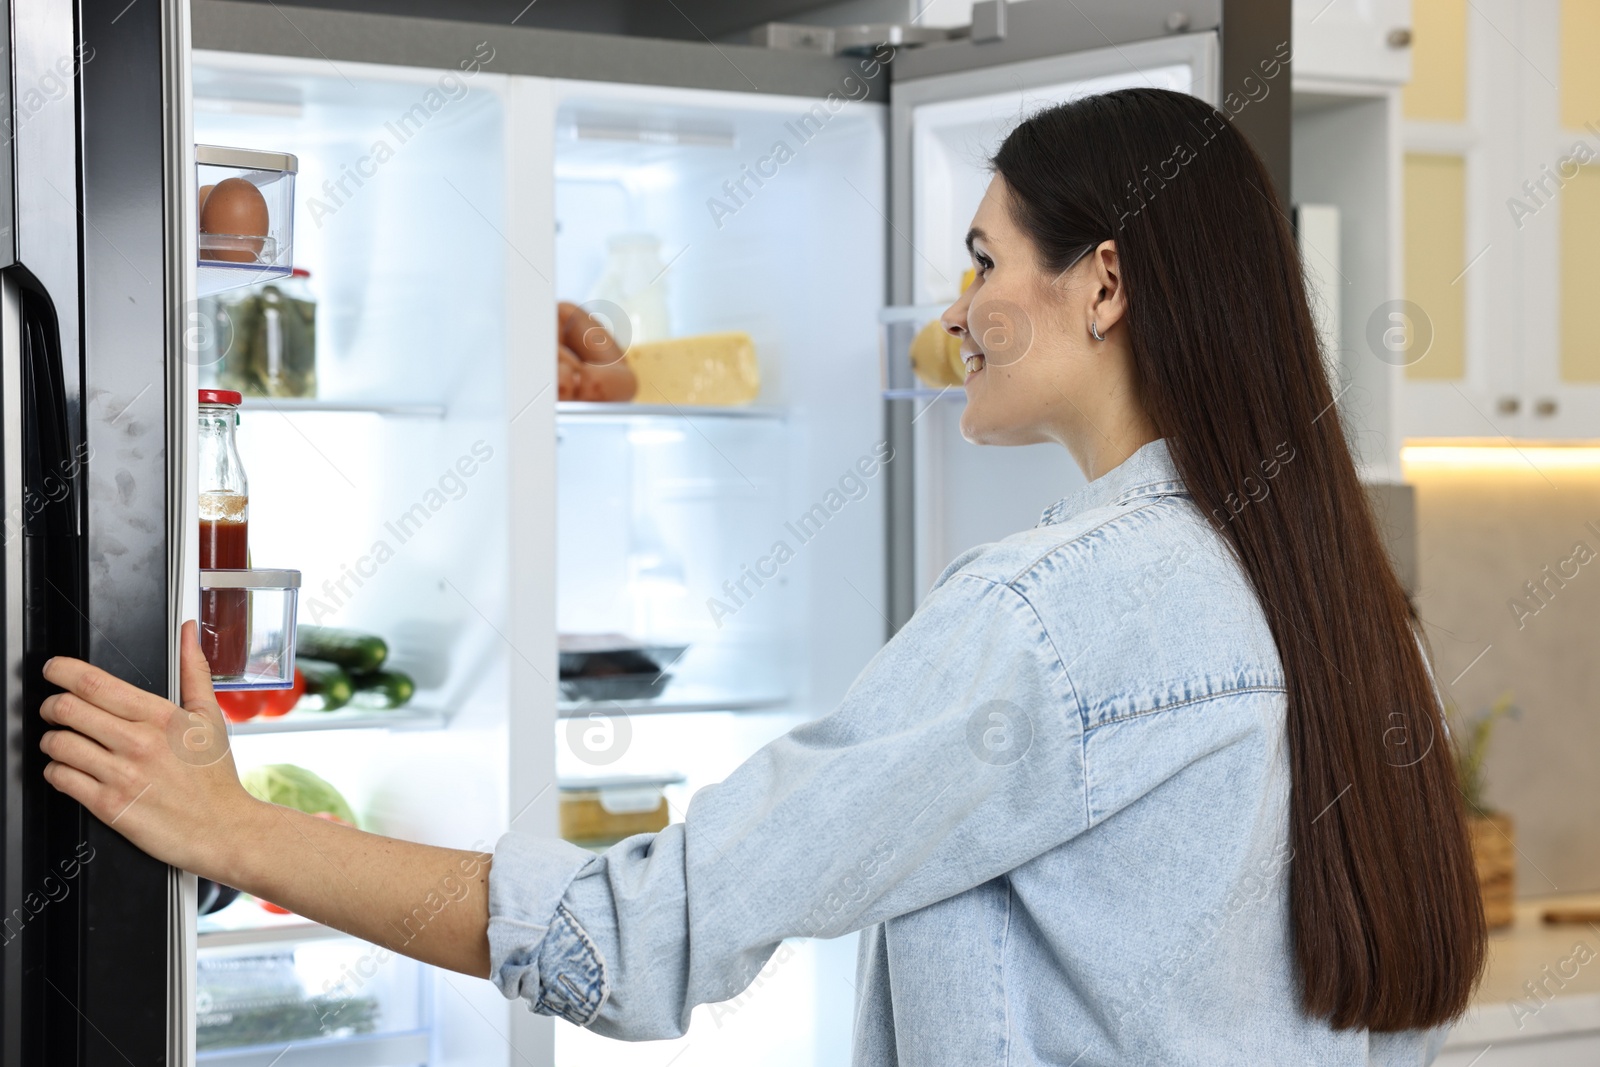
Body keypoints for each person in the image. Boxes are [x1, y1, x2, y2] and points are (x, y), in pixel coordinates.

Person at [37, 87, 1483, 1065]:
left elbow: (634, 938)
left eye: (984, 260)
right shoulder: (1359, 618)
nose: (961, 310)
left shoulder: (1043, 617)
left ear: (1103, 283)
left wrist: (233, 832)